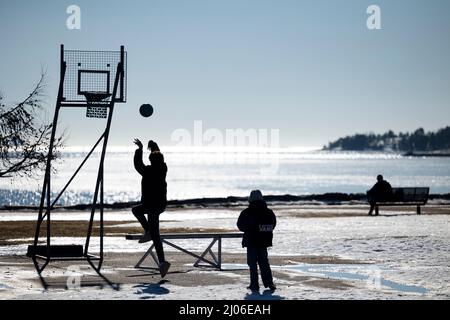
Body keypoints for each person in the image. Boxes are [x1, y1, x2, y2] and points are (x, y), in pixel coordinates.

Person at [132, 138, 170, 277]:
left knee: (155, 234)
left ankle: (162, 262)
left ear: (151, 161)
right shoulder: (163, 168)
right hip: (159, 205)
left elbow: (137, 164)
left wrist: (140, 149)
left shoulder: (148, 171)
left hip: (151, 206)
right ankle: (148, 231)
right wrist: (153, 146)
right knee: (137, 210)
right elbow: (158, 155)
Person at [237, 190, 277, 292]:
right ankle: (269, 283)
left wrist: (250, 229)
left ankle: (254, 284)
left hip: (251, 242)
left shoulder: (246, 212)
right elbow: (273, 225)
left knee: (252, 263)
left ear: (251, 199)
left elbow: (240, 225)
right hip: (263, 242)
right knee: (264, 263)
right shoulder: (268, 212)